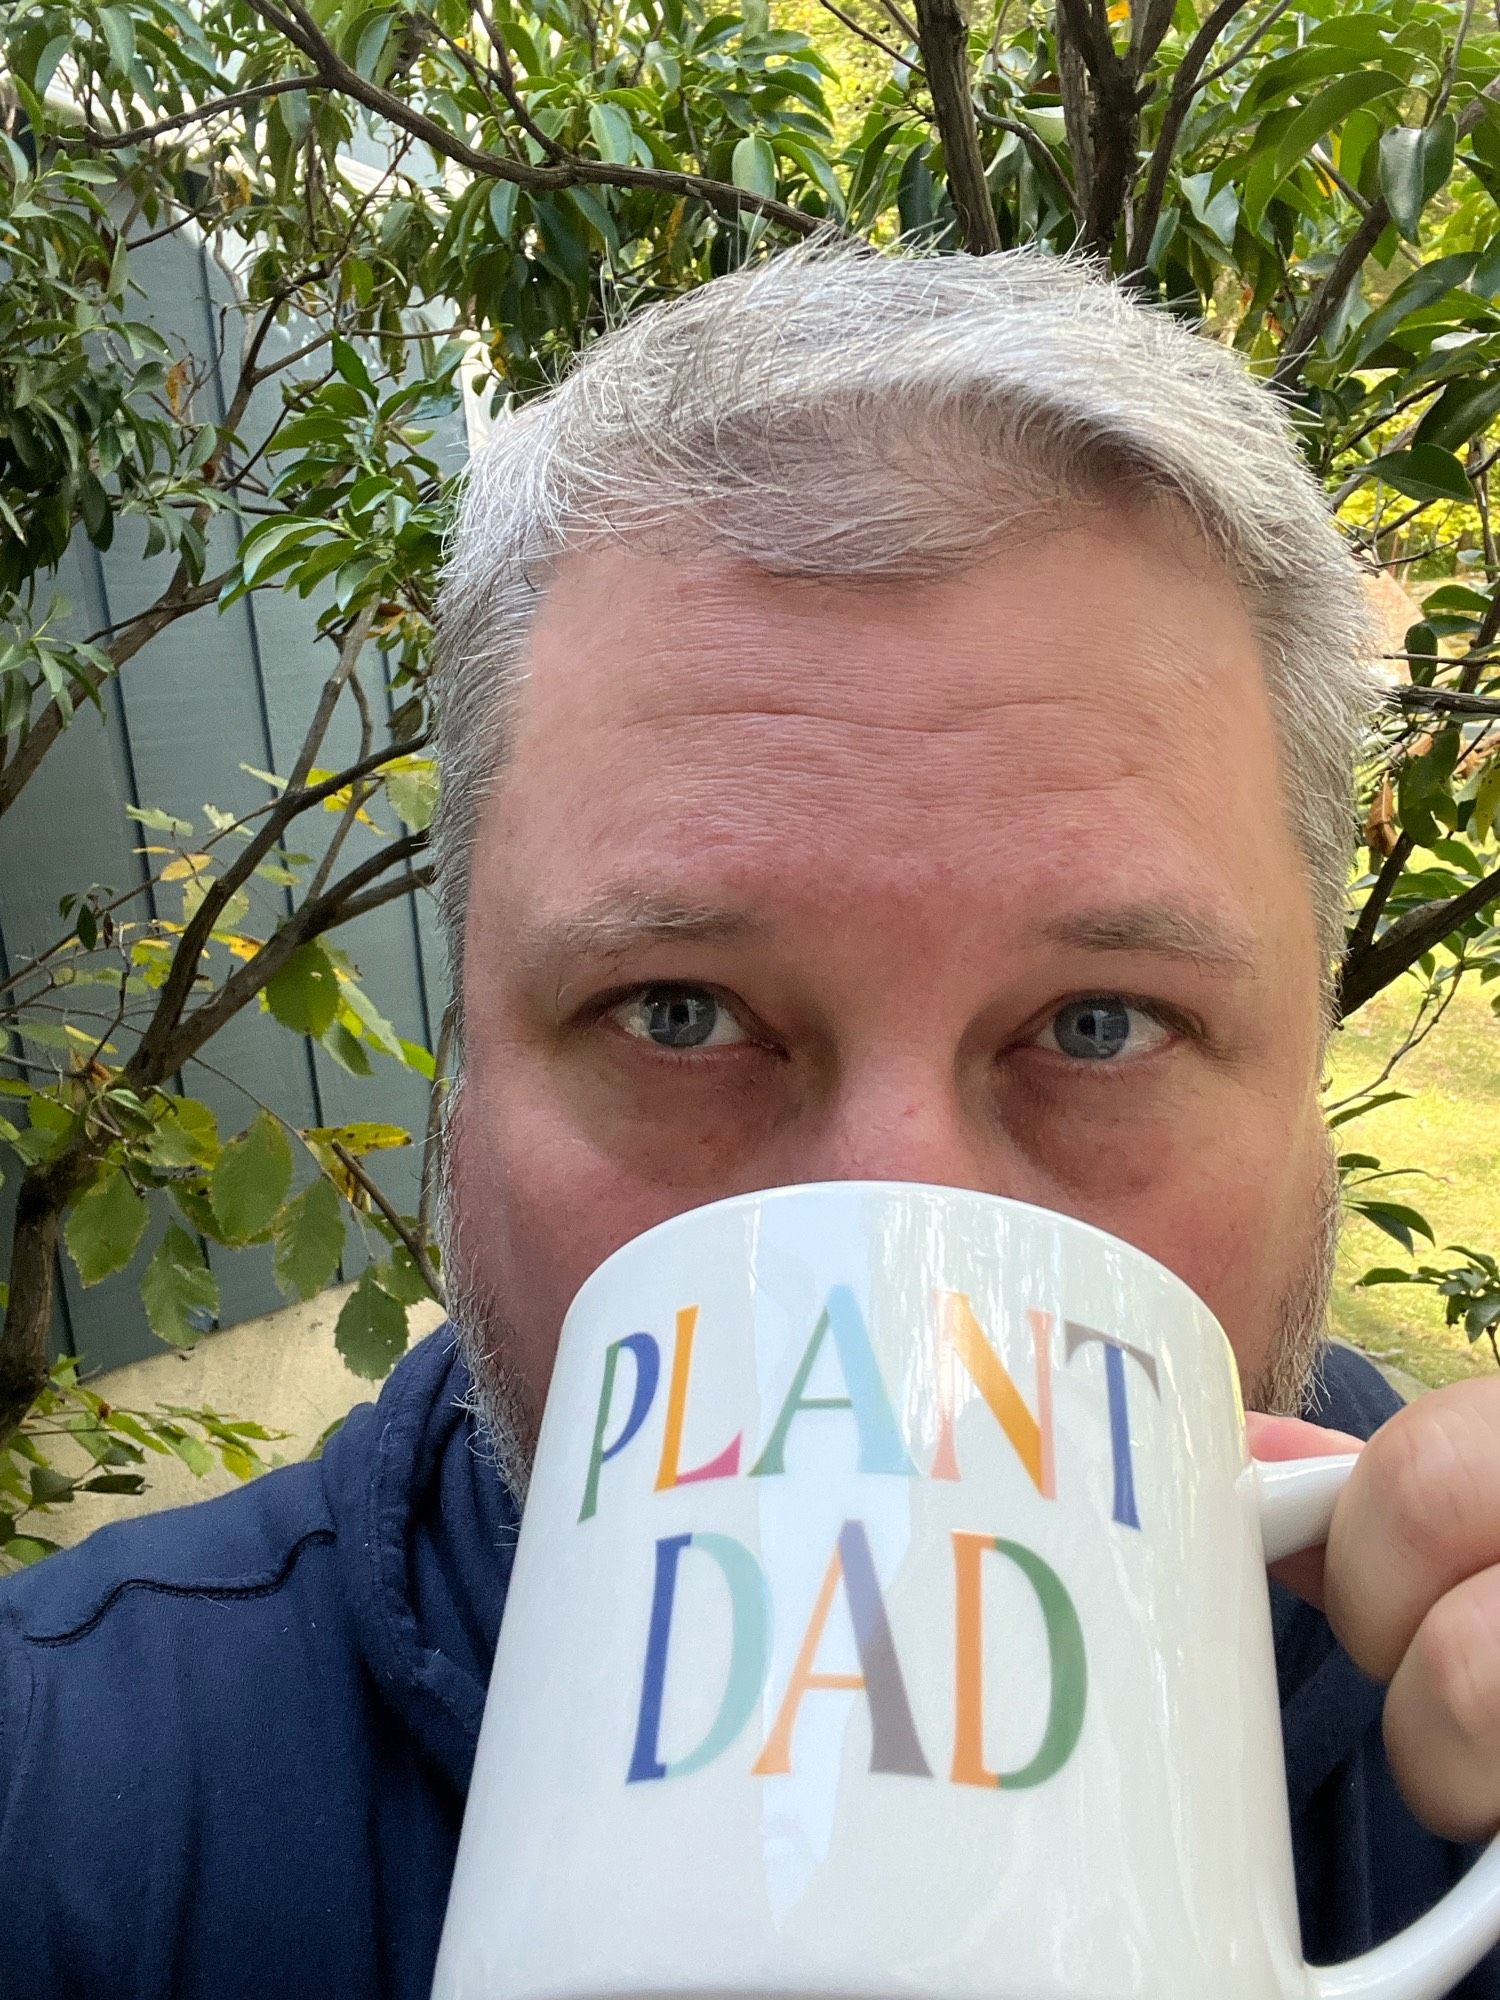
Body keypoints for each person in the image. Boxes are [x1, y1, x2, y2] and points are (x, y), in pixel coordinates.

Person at [2, 244, 1498, 1998]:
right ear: (459, 1097)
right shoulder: (65, 1814)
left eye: (1101, 1026)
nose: (892, 1244)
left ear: (1309, 1099)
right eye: (679, 1012)